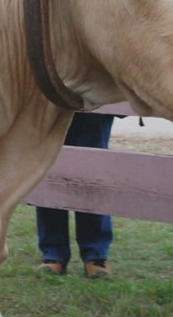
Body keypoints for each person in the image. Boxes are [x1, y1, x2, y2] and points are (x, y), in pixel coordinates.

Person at [35, 112, 116, 278]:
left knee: (92, 172)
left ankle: (96, 254)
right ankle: (53, 252)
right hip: (52, 101)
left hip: (94, 104)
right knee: (51, 171)